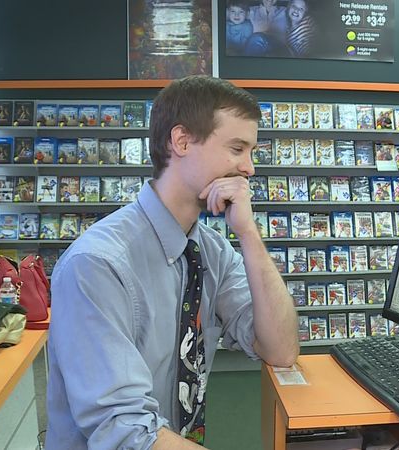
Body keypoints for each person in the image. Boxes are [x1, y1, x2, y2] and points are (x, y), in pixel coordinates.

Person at [46, 76, 300, 449]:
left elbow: (280, 349)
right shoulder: (97, 265)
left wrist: (249, 236)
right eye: (237, 148)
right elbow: (126, 434)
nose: (249, 168)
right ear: (181, 141)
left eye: (251, 152)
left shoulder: (210, 251)